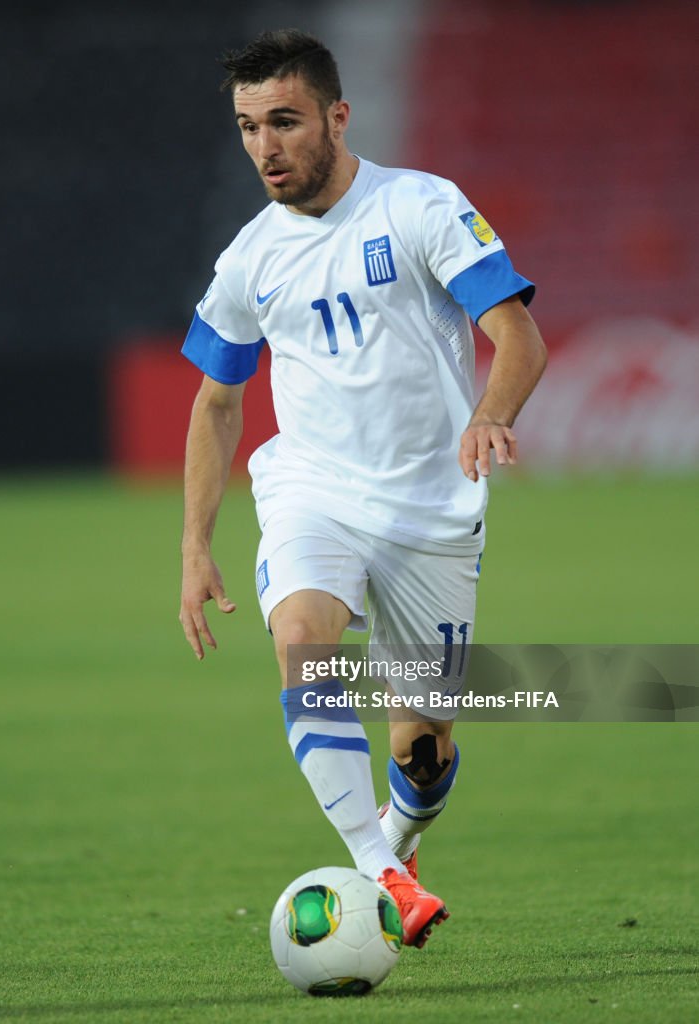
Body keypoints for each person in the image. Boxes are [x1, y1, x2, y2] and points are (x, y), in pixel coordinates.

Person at [179, 28, 546, 949]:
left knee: (422, 748)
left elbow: (519, 338)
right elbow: (219, 402)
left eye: (286, 122)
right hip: (314, 489)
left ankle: (399, 841)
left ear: (338, 118)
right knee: (304, 640)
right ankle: (380, 874)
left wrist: (487, 414)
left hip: (431, 507)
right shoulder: (249, 259)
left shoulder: (421, 207)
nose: (266, 146)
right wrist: (194, 545)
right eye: (249, 126)